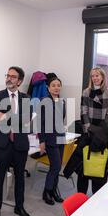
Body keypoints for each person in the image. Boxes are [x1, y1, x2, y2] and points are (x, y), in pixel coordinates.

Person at [0, 66, 32, 216]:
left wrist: (8, 116)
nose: (9, 78)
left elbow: (26, 119)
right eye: (7, 75)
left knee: (20, 177)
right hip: (2, 143)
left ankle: (19, 207)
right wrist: (17, 117)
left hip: (20, 143)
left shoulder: (26, 98)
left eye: (13, 77)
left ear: (20, 81)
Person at [78, 67, 108, 194]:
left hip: (102, 133)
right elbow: (83, 111)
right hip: (88, 132)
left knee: (100, 163)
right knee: (84, 163)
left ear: (102, 77)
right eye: (93, 76)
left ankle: (97, 194)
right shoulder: (86, 92)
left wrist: (103, 130)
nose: (95, 78)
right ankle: (81, 195)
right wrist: (89, 129)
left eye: (97, 75)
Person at [38, 76, 66, 205]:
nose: (56, 87)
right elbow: (41, 123)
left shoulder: (62, 102)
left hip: (60, 136)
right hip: (49, 139)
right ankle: (46, 192)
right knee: (54, 167)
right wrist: (42, 141)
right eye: (53, 85)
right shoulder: (44, 101)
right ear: (48, 88)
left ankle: (54, 191)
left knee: (58, 166)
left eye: (58, 85)